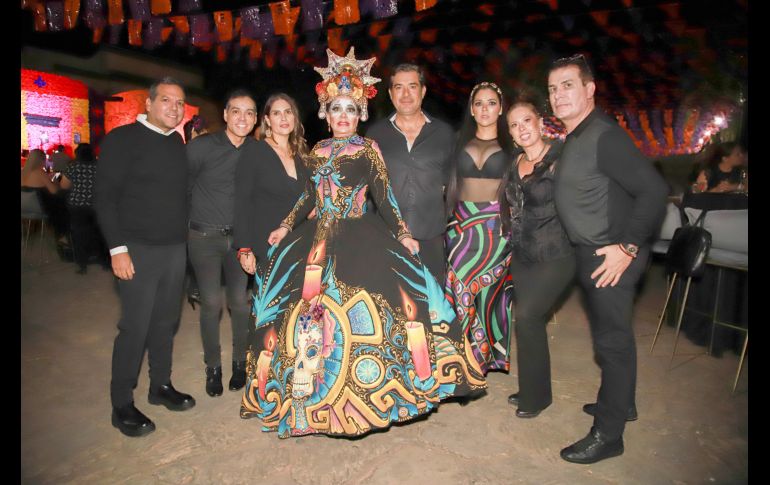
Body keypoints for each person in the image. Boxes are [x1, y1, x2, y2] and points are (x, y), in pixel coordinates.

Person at [240, 48, 486, 438]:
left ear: (360, 114)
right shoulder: (317, 150)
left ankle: (366, 395)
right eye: (336, 108)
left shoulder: (368, 149)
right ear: (325, 112)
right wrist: (286, 227)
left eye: (350, 110)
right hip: (314, 236)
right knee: (302, 318)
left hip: (359, 233)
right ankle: (308, 399)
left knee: (380, 308)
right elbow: (308, 197)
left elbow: (384, 197)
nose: (343, 116)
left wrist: (404, 234)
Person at [548, 54, 668, 463]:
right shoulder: (577, 136)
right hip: (594, 252)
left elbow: (653, 191)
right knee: (611, 338)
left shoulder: (603, 135)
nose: (558, 94)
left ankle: (609, 435)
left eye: (567, 85)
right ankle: (622, 404)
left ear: (589, 89)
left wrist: (628, 247)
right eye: (553, 88)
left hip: (611, 255)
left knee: (612, 344)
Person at [96, 77, 196, 437]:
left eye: (180, 102)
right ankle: (121, 403)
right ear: (149, 104)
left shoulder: (177, 144)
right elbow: (105, 197)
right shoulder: (123, 140)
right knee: (134, 328)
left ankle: (160, 386)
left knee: (165, 324)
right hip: (136, 251)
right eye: (167, 100)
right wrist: (117, 249)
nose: (174, 108)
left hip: (173, 250)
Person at [499, 97, 576, 419]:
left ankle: (536, 398)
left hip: (557, 253)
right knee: (528, 323)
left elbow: (587, 198)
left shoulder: (562, 158)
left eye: (526, 121)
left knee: (528, 318)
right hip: (523, 255)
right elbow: (509, 207)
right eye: (514, 125)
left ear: (540, 123)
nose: (522, 129)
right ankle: (535, 390)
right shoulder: (514, 163)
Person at [187, 90, 257, 397]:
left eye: (250, 113)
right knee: (212, 303)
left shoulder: (257, 151)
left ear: (256, 120)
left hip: (241, 239)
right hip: (204, 237)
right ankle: (212, 368)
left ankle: (240, 364)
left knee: (240, 304)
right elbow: (179, 189)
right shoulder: (201, 147)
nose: (243, 118)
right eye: (237, 111)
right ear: (226, 115)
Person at [444, 81, 514, 374]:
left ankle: (483, 359)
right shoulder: (457, 141)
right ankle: (458, 358)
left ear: (501, 108)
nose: (485, 109)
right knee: (458, 288)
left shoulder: (513, 145)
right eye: (479, 103)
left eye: (491, 103)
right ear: (472, 110)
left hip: (495, 230)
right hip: (460, 227)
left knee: (489, 294)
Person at [366, 64, 454, 283]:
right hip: (387, 237)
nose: (405, 94)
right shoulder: (375, 135)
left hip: (432, 239)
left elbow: (451, 185)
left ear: (423, 91)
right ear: (390, 93)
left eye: (412, 86)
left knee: (434, 308)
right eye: (399, 87)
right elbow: (366, 188)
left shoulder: (443, 133)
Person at [234, 93, 310, 275]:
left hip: (300, 240)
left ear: (294, 117)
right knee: (270, 301)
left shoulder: (303, 154)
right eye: (276, 113)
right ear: (267, 120)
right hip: (267, 242)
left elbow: (310, 196)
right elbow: (242, 201)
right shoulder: (254, 150)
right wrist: (244, 248)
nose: (284, 118)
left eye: (288, 112)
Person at [60, 143, 109, 273]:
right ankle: (104, 262)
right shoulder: (100, 166)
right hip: (97, 205)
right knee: (100, 234)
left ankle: (82, 264)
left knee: (79, 234)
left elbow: (64, 186)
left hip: (78, 206)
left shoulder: (73, 167)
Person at [182, 114, 209, 309]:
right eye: (205, 132)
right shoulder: (194, 153)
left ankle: (194, 287)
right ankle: (196, 287)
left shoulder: (184, 152)